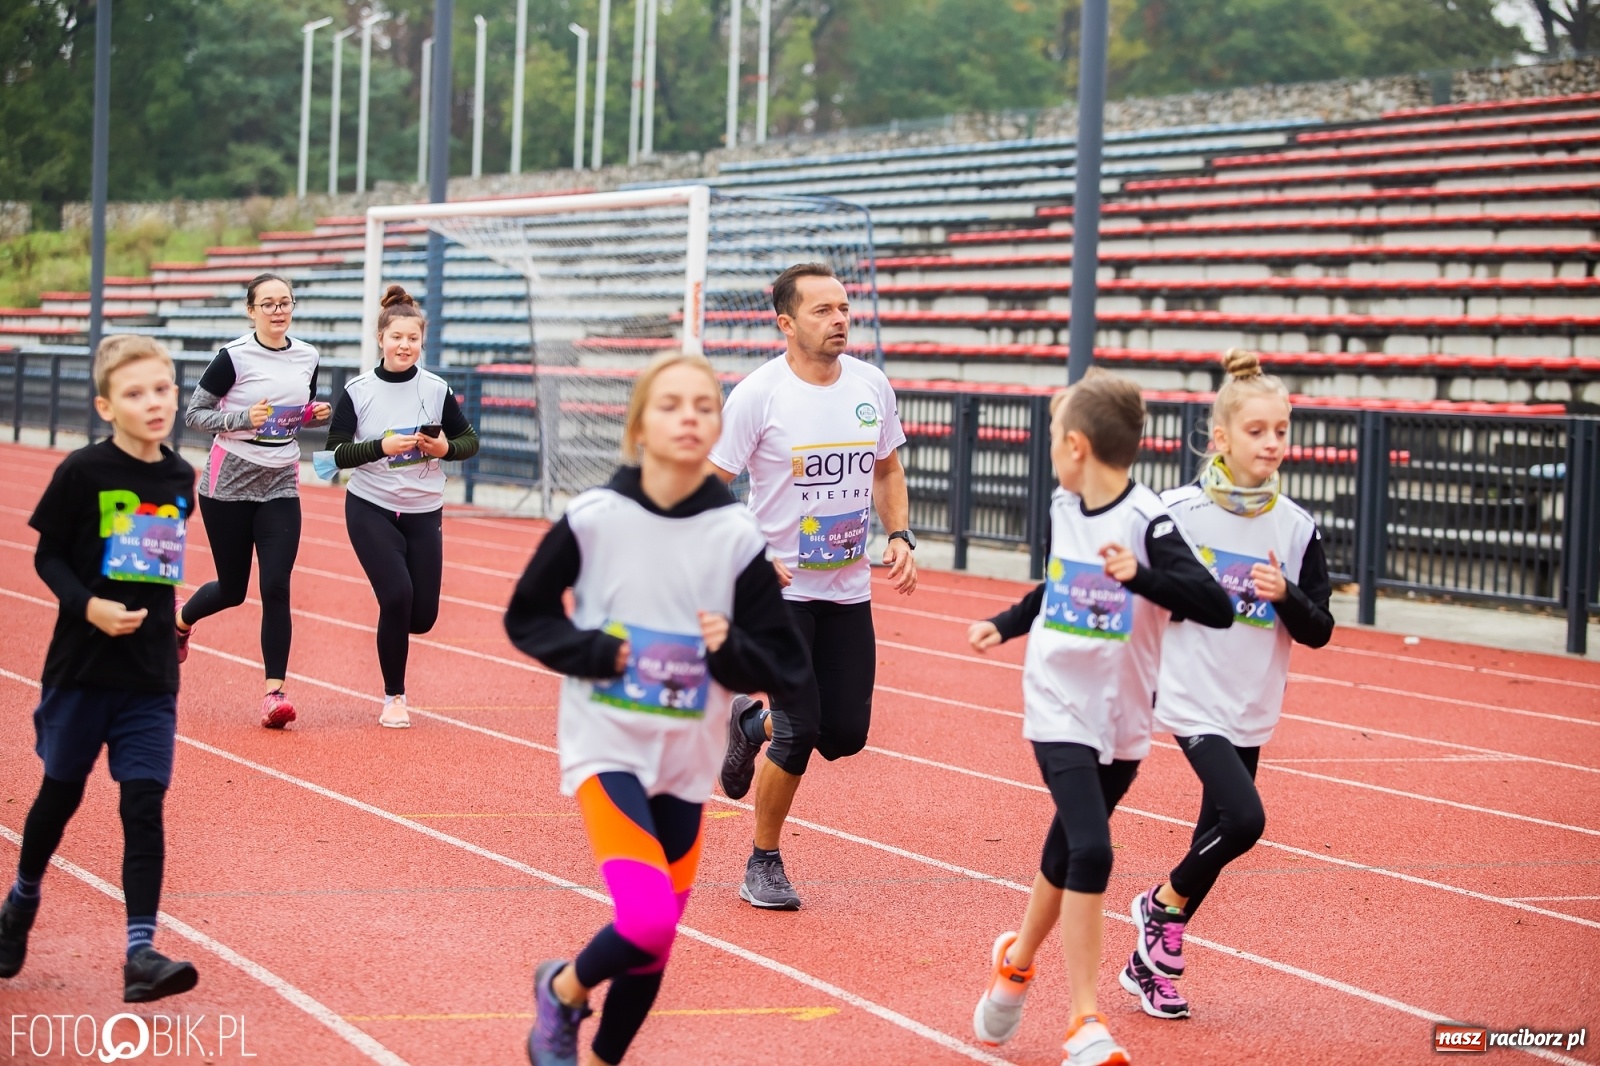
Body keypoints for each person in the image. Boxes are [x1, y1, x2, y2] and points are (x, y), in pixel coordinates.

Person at [504, 350, 807, 1066]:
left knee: (657, 938)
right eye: (671, 405)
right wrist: (593, 651)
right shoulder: (595, 518)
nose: (689, 418)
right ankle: (563, 990)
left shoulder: (737, 537)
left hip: (686, 758)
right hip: (607, 741)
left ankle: (596, 1051)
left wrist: (730, 649)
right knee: (644, 918)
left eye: (704, 406)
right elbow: (528, 616)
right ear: (640, 424)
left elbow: (782, 662)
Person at [966, 371, 1233, 1065]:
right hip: (1056, 703)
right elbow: (1057, 582)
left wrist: (1142, 578)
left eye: (1055, 436)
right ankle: (1084, 1021)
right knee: (1092, 850)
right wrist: (1007, 622)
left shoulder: (1148, 523)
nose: (1051, 448)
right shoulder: (1064, 506)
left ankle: (1015, 963)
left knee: (1067, 851)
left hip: (1122, 720)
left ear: (1077, 446)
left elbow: (1216, 606)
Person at [1120, 349, 1335, 1020]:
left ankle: (1149, 964)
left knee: (1213, 835)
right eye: (1256, 430)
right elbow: (1135, 587)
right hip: (1189, 693)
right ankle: (1159, 905)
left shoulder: (1296, 528)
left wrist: (1286, 595)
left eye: (1281, 430)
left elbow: (1321, 629)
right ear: (1221, 438)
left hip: (1251, 699)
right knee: (1245, 820)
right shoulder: (1178, 513)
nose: (1272, 442)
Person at [710, 262, 917, 911]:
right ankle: (763, 862)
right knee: (800, 730)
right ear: (786, 323)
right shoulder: (759, 395)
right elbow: (706, 489)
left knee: (844, 734)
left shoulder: (871, 385)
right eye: (823, 310)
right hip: (780, 591)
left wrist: (900, 535)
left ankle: (752, 722)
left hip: (848, 587)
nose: (839, 320)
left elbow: (887, 469)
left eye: (844, 308)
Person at [0, 335, 200, 1002]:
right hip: (82, 669)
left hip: (149, 676)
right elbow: (48, 557)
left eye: (162, 389)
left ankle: (140, 952)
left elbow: (158, 565)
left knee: (143, 806)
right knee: (59, 797)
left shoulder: (180, 478)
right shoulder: (83, 472)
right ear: (106, 407)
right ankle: (21, 902)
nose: (153, 403)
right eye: (135, 393)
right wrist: (89, 607)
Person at [177, 272, 329, 729]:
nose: (278, 311)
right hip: (229, 482)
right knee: (233, 590)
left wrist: (311, 415)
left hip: (280, 480)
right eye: (268, 304)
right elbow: (194, 414)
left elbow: (290, 416)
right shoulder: (233, 357)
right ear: (251, 310)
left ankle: (274, 695)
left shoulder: (308, 356)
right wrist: (244, 417)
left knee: (276, 585)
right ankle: (179, 622)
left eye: (285, 302)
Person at [324, 285, 480, 728]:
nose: (404, 345)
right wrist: (380, 447)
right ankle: (394, 697)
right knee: (397, 596)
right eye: (396, 337)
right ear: (381, 339)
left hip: (424, 510)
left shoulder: (436, 389)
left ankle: (395, 615)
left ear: (422, 341)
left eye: (413, 338)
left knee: (422, 617)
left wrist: (445, 448)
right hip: (371, 506)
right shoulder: (358, 391)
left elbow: (469, 440)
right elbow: (333, 455)